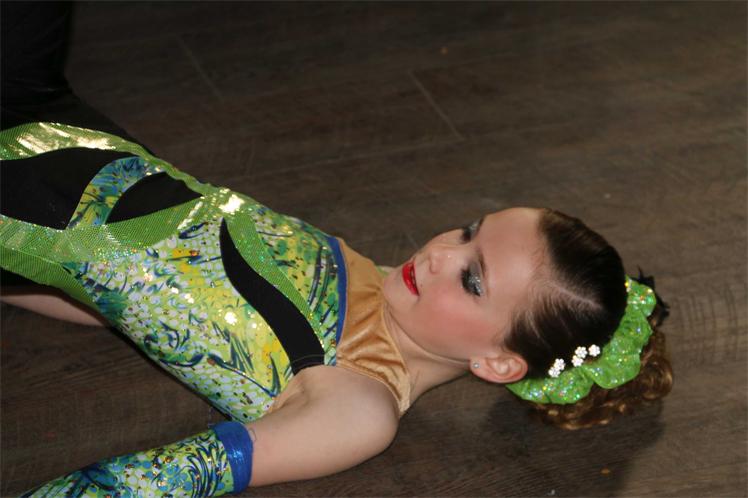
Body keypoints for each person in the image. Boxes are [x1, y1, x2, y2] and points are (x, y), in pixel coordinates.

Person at [0, 3, 673, 497]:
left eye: (472, 280)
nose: (441, 253)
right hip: (66, 132)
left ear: (497, 361)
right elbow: (137, 303)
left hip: (25, 207)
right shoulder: (376, 280)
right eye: (469, 230)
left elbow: (155, 478)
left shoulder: (360, 411)